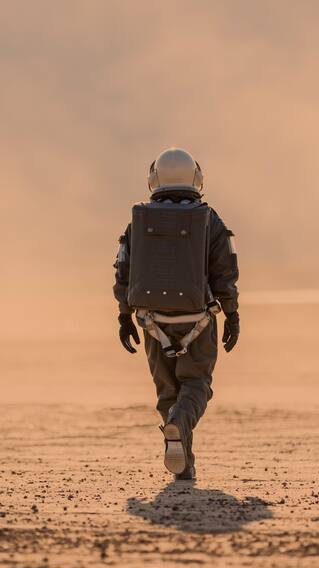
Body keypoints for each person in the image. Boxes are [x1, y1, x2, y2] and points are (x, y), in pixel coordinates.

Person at [113, 148, 240, 481]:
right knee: (196, 384)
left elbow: (123, 270)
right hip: (197, 320)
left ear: (154, 178)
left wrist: (124, 316)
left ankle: (183, 458)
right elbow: (225, 271)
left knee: (167, 392)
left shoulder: (139, 220)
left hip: (152, 321)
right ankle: (179, 428)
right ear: (196, 177)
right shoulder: (209, 218)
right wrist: (232, 315)